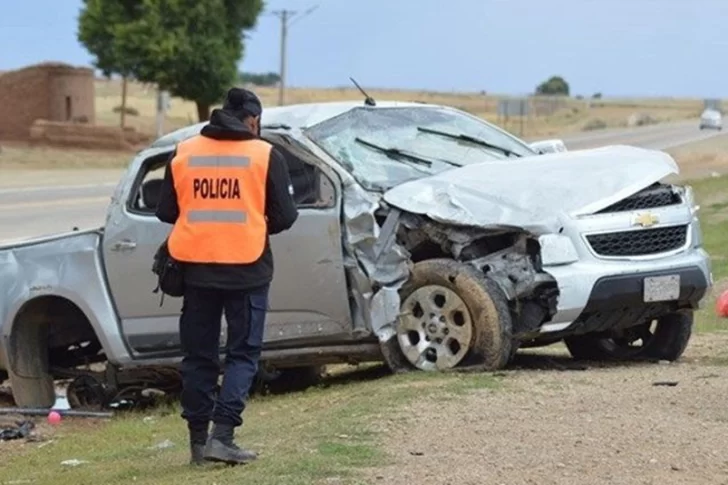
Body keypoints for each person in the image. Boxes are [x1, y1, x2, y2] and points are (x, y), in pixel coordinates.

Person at [155, 87, 299, 466]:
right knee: (242, 354)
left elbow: (166, 211)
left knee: (198, 358)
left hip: (196, 270)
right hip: (247, 272)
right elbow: (285, 216)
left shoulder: (184, 151)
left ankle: (199, 446)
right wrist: (252, 219)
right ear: (253, 121)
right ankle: (224, 436)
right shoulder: (264, 155)